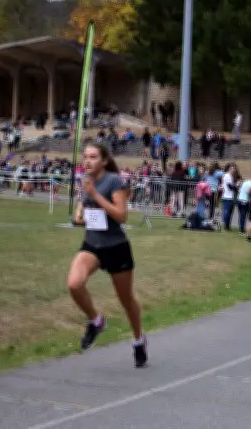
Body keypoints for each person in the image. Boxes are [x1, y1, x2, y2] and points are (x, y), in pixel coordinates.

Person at [68, 143, 147, 368]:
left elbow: (122, 216)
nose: (87, 161)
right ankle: (96, 321)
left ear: (103, 160)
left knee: (126, 301)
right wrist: (79, 214)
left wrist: (95, 195)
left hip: (116, 246)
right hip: (93, 244)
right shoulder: (86, 182)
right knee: (74, 284)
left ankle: (138, 340)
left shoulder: (113, 181)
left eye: (93, 157)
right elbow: (83, 209)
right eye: (85, 157)